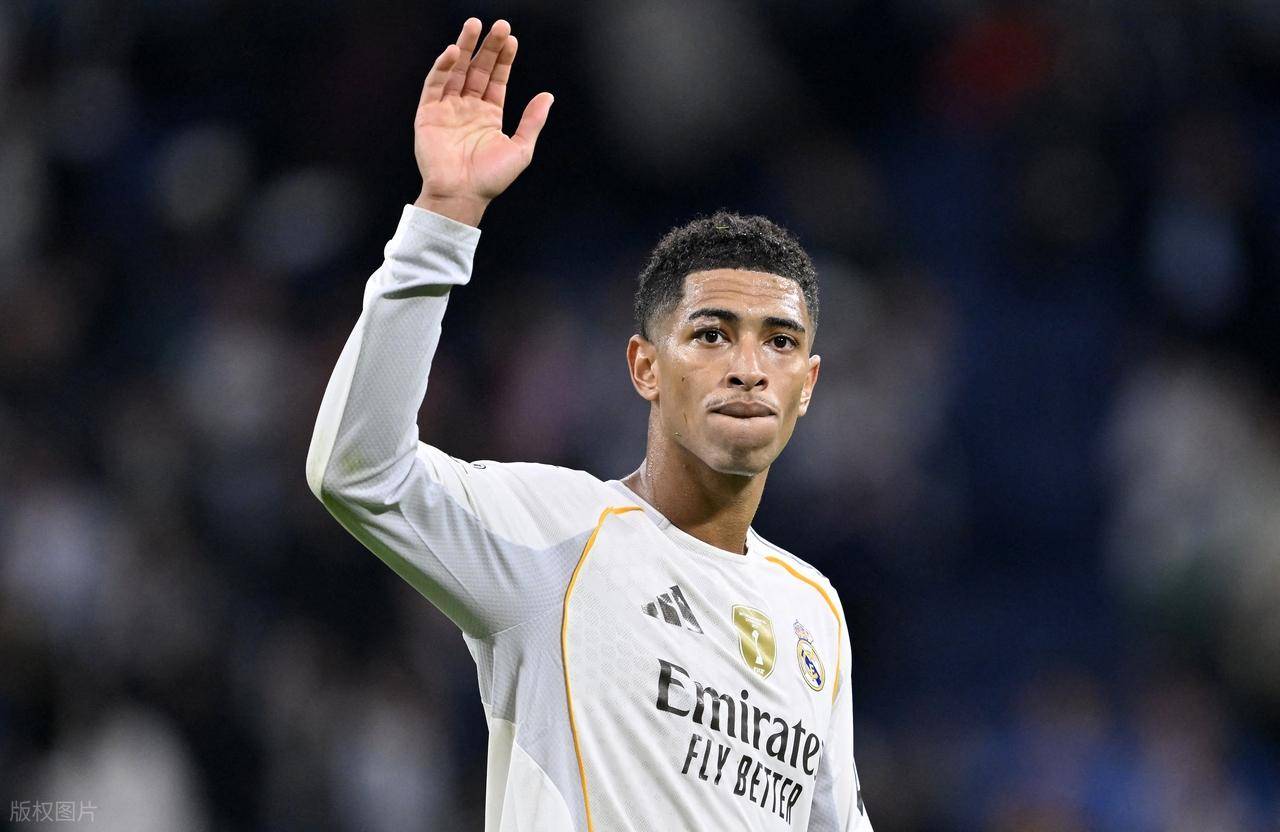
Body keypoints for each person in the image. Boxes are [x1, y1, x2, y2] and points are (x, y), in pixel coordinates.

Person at [306, 16, 873, 832]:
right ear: (645, 367)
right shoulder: (556, 538)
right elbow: (359, 471)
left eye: (779, 342)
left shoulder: (814, 612)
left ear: (807, 386)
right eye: (712, 335)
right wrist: (441, 219)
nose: (749, 367)